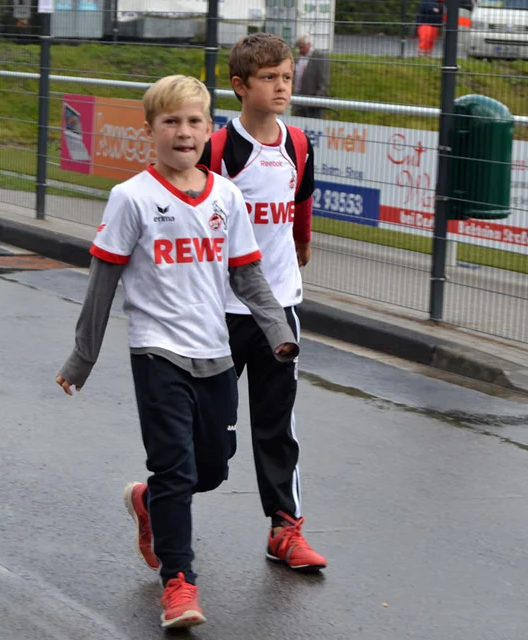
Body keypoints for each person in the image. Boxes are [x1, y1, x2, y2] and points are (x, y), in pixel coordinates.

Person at [55, 74, 300, 630]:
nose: (183, 132)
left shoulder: (227, 197)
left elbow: (250, 279)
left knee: (209, 470)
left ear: (207, 129)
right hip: (156, 351)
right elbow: (102, 283)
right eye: (171, 122)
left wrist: (276, 330)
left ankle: (148, 502)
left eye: (194, 121)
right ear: (151, 132)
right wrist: (82, 358)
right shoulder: (131, 198)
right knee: (175, 465)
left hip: (215, 352)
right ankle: (178, 583)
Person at [199, 32, 328, 573]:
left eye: (286, 77)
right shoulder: (217, 150)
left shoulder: (297, 145)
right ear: (239, 86)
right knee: (208, 439)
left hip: (280, 311)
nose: (281, 87)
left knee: (277, 424)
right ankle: (158, 503)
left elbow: (300, 209)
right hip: (219, 312)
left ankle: (285, 529)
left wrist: (299, 252)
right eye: (269, 78)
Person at [291, 34, 330, 119]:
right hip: (298, 98)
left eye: (301, 47)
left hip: (312, 101)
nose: (299, 50)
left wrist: (317, 99)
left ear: (308, 45)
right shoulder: (298, 58)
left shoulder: (319, 56)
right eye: (298, 47)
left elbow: (323, 80)